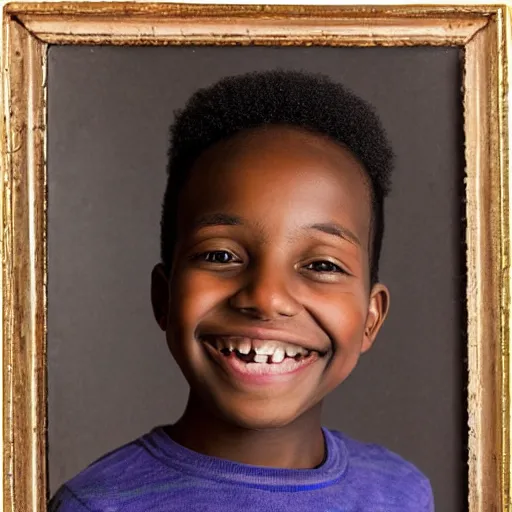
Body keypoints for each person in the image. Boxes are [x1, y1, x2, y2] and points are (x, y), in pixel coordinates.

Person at [50, 69, 434, 511]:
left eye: (322, 265)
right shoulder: (97, 504)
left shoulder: (401, 492)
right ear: (164, 296)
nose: (267, 297)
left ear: (371, 318)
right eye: (220, 256)